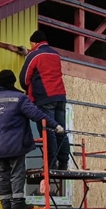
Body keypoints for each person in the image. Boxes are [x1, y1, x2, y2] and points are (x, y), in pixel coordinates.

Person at [0, 69, 64, 209]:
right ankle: (18, 202)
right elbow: (36, 114)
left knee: (3, 174)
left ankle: (6, 203)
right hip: (15, 143)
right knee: (17, 172)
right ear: (13, 81)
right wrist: (55, 125)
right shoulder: (19, 98)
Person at [17, 30, 71, 170]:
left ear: (34, 43)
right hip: (60, 96)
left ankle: (50, 164)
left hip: (44, 97)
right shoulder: (55, 54)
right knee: (61, 129)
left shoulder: (34, 55)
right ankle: (63, 162)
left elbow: (24, 78)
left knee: (48, 130)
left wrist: (27, 88)